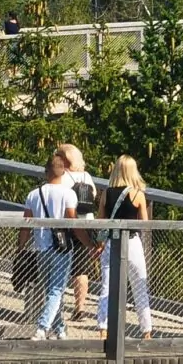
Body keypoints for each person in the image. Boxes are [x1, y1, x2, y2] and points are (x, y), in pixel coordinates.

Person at [21, 152, 78, 339]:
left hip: (40, 248)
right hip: (61, 249)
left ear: (46, 172)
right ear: (63, 172)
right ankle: (42, 327)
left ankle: (60, 329)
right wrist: (89, 244)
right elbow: (73, 221)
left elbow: (26, 225)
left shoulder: (33, 194)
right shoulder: (69, 194)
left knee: (51, 291)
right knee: (56, 290)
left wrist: (20, 248)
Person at [97, 156, 154, 337]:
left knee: (107, 285)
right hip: (131, 241)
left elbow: (101, 221)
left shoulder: (106, 193)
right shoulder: (138, 195)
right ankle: (146, 330)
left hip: (112, 242)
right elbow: (144, 224)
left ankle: (103, 327)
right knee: (139, 285)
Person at [57, 143, 102, 321]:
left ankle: (57, 306)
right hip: (87, 223)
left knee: (60, 264)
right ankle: (80, 307)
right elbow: (95, 195)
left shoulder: (63, 177)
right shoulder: (87, 176)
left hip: (68, 224)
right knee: (81, 268)